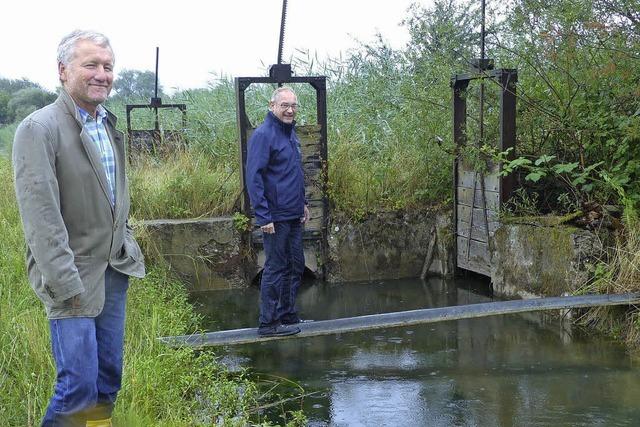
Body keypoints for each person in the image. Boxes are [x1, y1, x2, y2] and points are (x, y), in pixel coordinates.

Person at [12, 30, 145, 427]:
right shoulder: (39, 128)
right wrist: (65, 282)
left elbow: (112, 199)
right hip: (70, 276)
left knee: (107, 382)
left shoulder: (107, 124)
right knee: (77, 388)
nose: (102, 74)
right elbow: (41, 218)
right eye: (91, 65)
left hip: (113, 271)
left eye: (107, 66)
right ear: (63, 70)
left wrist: (127, 243)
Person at [246, 86, 311, 337]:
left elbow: (293, 173)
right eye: (285, 105)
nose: (290, 110)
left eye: (293, 105)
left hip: (293, 213)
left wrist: (302, 203)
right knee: (275, 267)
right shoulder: (264, 135)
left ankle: (287, 314)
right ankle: (268, 323)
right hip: (275, 216)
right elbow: (254, 178)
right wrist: (263, 216)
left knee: (296, 265)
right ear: (271, 106)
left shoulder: (290, 134)